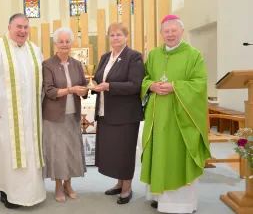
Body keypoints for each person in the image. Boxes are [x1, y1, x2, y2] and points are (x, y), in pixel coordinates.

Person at [140, 15, 211, 213]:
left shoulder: (193, 54)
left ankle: (182, 204)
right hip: (157, 115)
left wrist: (174, 87)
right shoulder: (154, 54)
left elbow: (199, 83)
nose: (170, 34)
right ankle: (159, 196)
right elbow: (144, 78)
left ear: (181, 31)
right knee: (159, 153)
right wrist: (151, 85)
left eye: (174, 31)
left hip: (181, 118)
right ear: (161, 33)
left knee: (177, 155)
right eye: (166, 31)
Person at [0, 13, 46, 209]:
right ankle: (7, 192)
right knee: (7, 153)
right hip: (5, 116)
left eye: (26, 27)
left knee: (30, 153)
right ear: (9, 27)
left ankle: (33, 192)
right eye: (19, 27)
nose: (22, 31)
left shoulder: (35, 50)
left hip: (31, 115)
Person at [91, 22, 144, 204]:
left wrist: (109, 86)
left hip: (126, 115)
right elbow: (99, 77)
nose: (115, 38)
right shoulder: (106, 57)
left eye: (119, 35)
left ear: (126, 37)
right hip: (106, 112)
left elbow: (135, 85)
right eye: (112, 35)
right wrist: (94, 86)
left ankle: (127, 188)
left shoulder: (134, 57)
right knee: (114, 152)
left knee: (125, 152)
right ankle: (119, 183)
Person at [42, 27, 88, 203]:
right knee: (58, 153)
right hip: (54, 116)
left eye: (67, 41)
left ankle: (69, 185)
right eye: (61, 41)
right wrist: (70, 90)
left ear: (71, 43)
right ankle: (59, 187)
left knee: (71, 151)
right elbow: (50, 91)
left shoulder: (77, 64)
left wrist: (84, 91)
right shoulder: (48, 64)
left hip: (72, 115)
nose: (64, 44)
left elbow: (83, 88)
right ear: (56, 44)